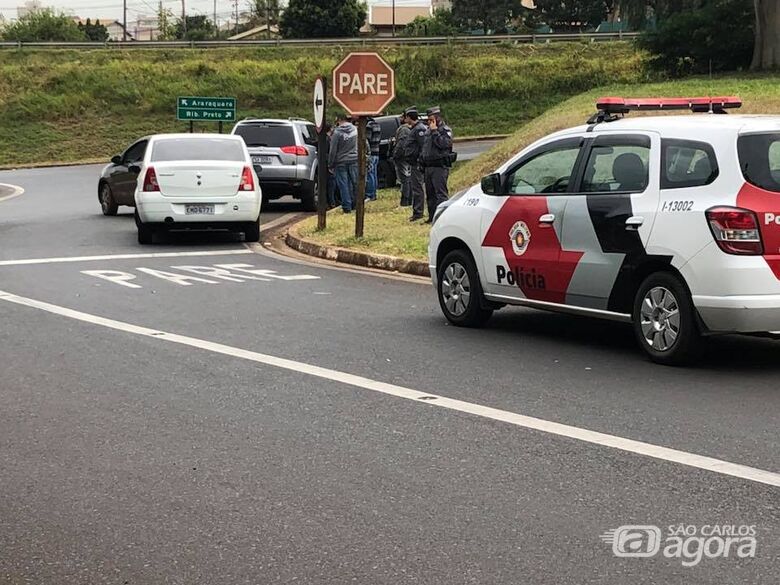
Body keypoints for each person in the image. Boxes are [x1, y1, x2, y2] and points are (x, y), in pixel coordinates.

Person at [421, 106, 454, 223]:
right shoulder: (428, 130)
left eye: (431, 119)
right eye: (428, 120)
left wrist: (435, 131)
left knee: (440, 194)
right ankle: (432, 217)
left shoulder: (445, 130)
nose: (429, 122)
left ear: (437, 118)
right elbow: (425, 148)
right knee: (430, 194)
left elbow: (444, 144)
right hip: (428, 166)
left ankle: (443, 217)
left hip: (439, 166)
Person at [327, 113, 359, 214]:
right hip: (354, 159)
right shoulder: (355, 130)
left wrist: (330, 164)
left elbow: (333, 150)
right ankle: (356, 204)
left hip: (340, 161)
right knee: (354, 183)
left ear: (340, 120)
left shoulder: (337, 132)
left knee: (343, 184)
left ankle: (346, 206)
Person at [402, 107, 427, 222]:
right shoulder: (414, 129)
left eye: (406, 116)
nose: (404, 118)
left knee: (417, 188)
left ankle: (418, 212)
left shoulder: (419, 129)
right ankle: (417, 211)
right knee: (415, 186)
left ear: (409, 117)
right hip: (413, 162)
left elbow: (423, 146)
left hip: (417, 162)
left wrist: (420, 161)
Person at [392, 110, 412, 206]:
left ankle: (405, 201)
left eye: (401, 117)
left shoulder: (404, 129)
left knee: (405, 180)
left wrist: (395, 154)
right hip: (406, 157)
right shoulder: (408, 129)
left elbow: (401, 144)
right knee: (407, 179)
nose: (399, 119)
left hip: (402, 158)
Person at [365, 117, 382, 201]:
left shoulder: (368, 126)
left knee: (369, 174)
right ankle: (374, 192)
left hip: (371, 152)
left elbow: (366, 139)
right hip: (377, 151)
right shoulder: (377, 125)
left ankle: (370, 194)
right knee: (374, 174)